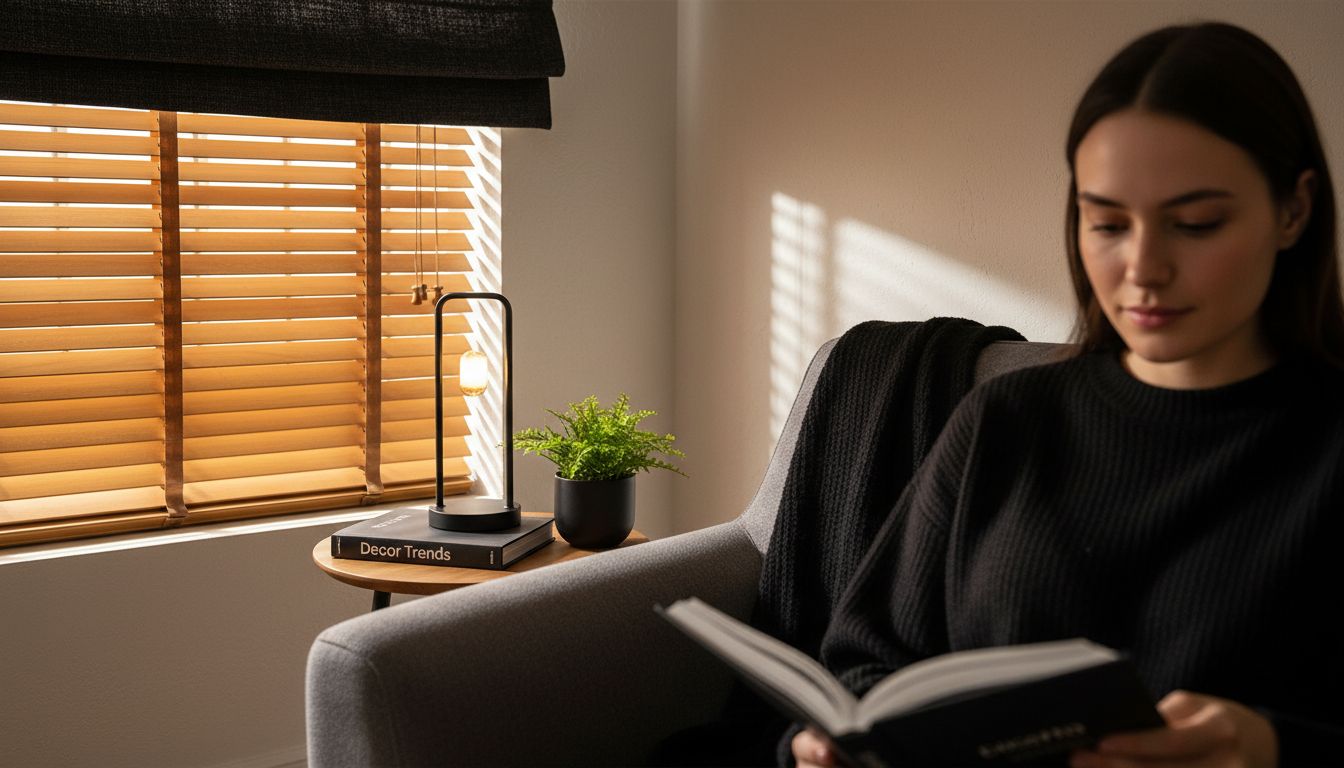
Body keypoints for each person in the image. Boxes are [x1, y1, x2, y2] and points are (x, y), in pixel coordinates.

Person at [790, 20, 1344, 768]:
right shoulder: (1005, 419)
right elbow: (865, 660)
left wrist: (1270, 746)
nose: (1143, 268)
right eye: (1107, 222)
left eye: (1196, 224)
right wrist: (835, 746)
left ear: (1294, 211)